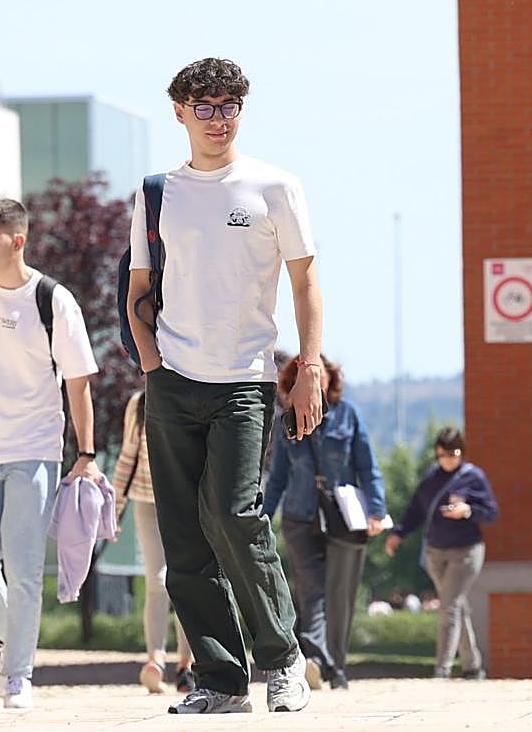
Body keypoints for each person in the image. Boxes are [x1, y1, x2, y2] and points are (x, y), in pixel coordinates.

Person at [125, 57, 321, 715]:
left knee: (235, 515)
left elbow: (304, 282)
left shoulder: (273, 186)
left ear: (242, 109)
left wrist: (309, 368)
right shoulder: (155, 192)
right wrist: (153, 365)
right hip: (173, 382)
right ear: (178, 110)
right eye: (203, 106)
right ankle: (219, 677)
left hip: (244, 380)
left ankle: (284, 657)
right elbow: (138, 292)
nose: (217, 118)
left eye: (228, 105)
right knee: (183, 535)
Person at [0, 199, 103, 710]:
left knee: (22, 569)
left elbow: (79, 381)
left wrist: (86, 452)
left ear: (17, 240)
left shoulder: (51, 300)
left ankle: (18, 674)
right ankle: (14, 639)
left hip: (34, 451)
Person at [263, 354, 386, 690]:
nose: (313, 380)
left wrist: (377, 510)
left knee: (340, 594)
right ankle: (318, 662)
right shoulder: (286, 420)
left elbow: (367, 466)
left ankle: (336, 664)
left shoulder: (348, 415)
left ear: (329, 378)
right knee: (310, 590)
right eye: (303, 374)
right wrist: (263, 518)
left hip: (343, 515)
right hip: (300, 515)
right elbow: (277, 478)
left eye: (317, 373)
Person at [386, 427, 498, 679]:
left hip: (467, 551)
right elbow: (416, 510)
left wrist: (468, 510)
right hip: (436, 552)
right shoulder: (430, 479)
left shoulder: (474, 477)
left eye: (453, 453)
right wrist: (399, 533)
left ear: (462, 452)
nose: (447, 458)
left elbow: (492, 512)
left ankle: (443, 668)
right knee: (456, 606)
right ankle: (472, 666)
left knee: (449, 605)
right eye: (442, 454)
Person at [112, 390, 194, 695]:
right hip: (147, 500)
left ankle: (187, 662)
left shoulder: (190, 393)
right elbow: (127, 456)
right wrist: (114, 510)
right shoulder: (139, 403)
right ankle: (155, 660)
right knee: (156, 580)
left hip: (188, 503)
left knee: (186, 579)